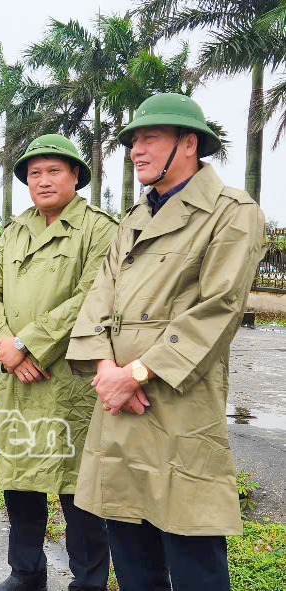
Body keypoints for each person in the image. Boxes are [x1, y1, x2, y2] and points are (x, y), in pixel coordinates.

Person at [65, 93, 267, 591]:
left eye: (149, 138)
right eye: (133, 140)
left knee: (191, 548)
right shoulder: (134, 216)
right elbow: (99, 293)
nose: (136, 149)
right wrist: (104, 370)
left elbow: (218, 308)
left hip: (178, 400)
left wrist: (136, 373)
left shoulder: (231, 212)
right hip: (118, 403)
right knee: (131, 552)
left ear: (188, 143)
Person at [0, 134, 117, 591]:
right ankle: (26, 572)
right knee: (19, 481)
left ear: (76, 175)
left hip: (68, 381)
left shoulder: (99, 229)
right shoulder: (15, 229)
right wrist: (5, 344)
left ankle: (89, 579)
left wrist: (29, 343)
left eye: (54, 170)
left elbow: (93, 297)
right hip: (19, 378)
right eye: (34, 173)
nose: (43, 181)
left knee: (77, 486)